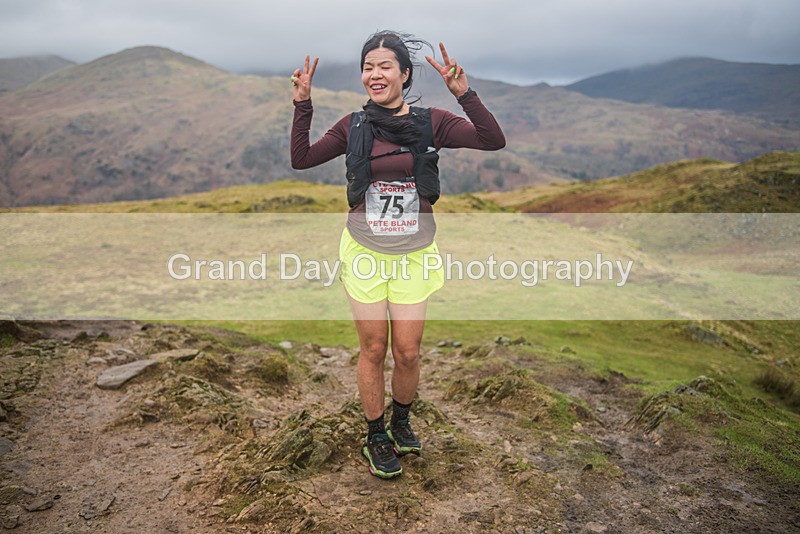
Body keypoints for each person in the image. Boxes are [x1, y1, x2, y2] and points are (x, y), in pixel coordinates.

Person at [290, 30, 505, 479]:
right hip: (364, 252)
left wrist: (464, 94)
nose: (375, 74)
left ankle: (401, 421)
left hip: (414, 253)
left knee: (407, 351)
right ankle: (375, 435)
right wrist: (302, 103)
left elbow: (492, 140)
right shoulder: (352, 126)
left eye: (384, 66)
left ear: (404, 75)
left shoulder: (432, 123)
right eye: (368, 67)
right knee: (373, 348)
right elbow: (302, 158)